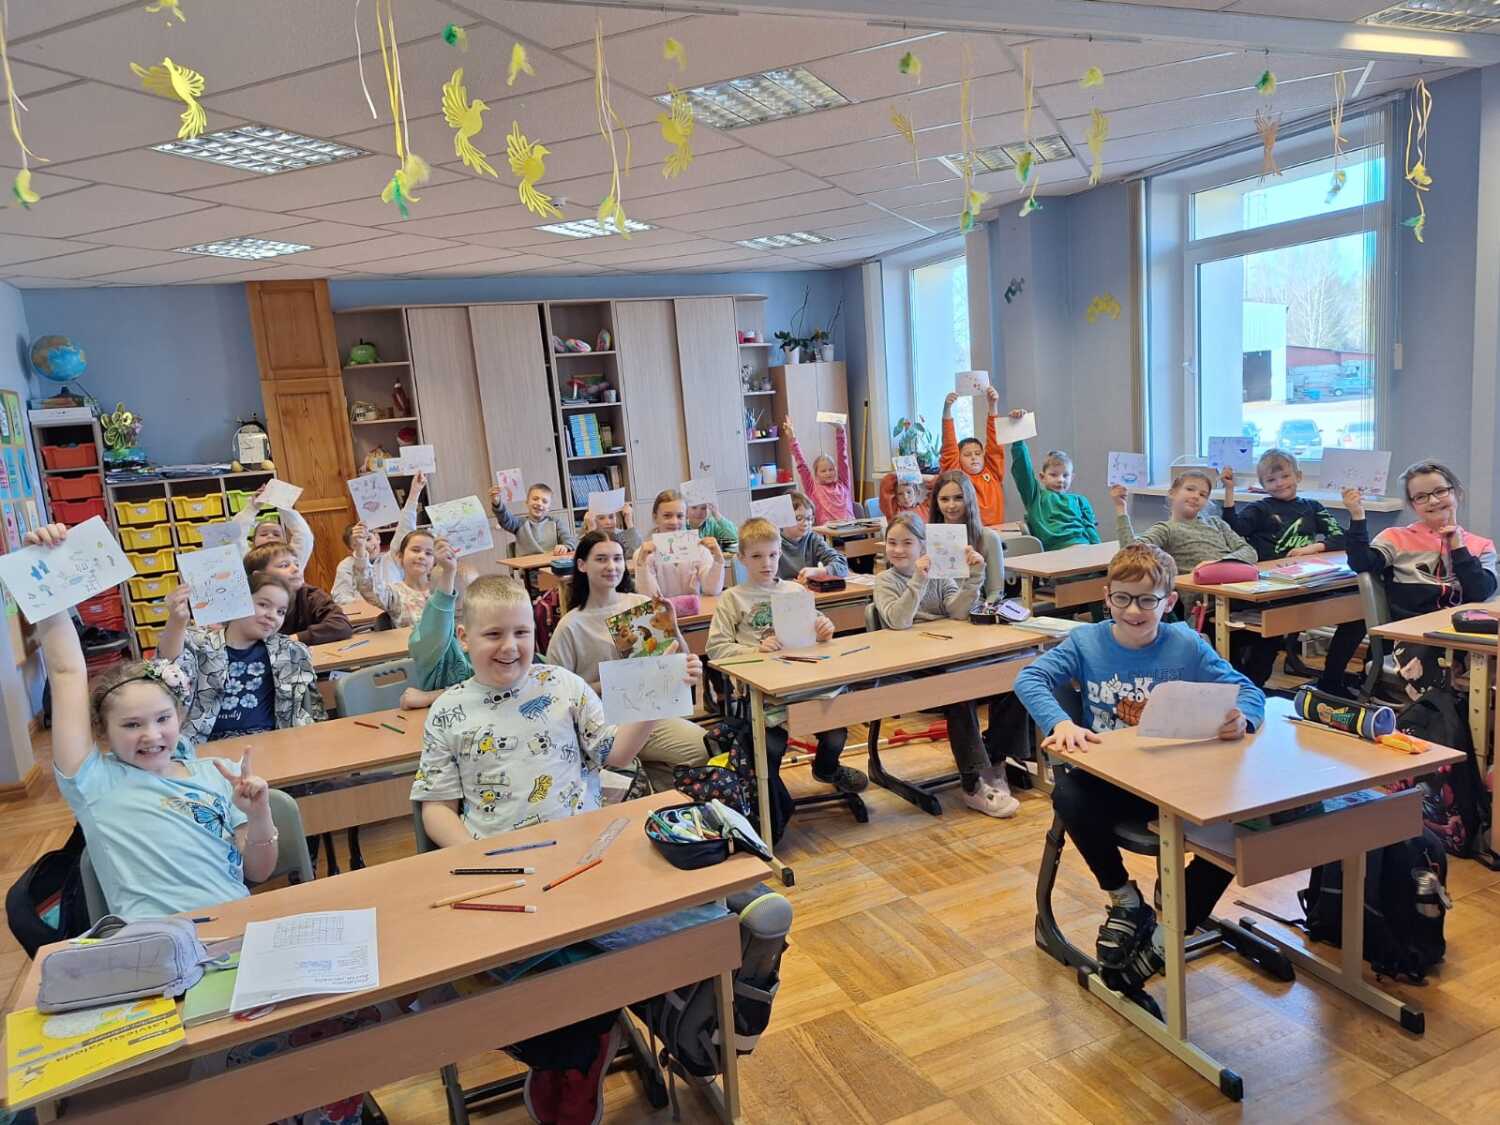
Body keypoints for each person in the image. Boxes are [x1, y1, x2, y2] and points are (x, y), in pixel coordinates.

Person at [411, 574, 704, 1125]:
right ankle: (582, 1045)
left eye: (522, 632)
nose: (510, 646)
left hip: (584, 860)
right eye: (493, 634)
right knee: (544, 975)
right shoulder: (448, 711)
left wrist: (660, 693)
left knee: (667, 926)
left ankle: (660, 1012)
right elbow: (436, 808)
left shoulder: (564, 686)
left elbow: (616, 754)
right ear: (464, 637)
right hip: (505, 873)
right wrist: (475, 857)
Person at [1015, 543, 1265, 993]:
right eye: (1123, 598)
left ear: (1169, 602)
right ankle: (1124, 898)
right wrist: (1060, 722)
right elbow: (1028, 677)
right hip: (1113, 780)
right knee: (1067, 793)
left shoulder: (1186, 643)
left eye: (1147, 600)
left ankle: (1170, 933)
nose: (1134, 610)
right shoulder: (1086, 642)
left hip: (1176, 779)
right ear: (1106, 597)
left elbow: (1247, 690)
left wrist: (1242, 718)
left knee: (1244, 823)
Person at [706, 517, 867, 804]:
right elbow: (716, 648)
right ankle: (771, 797)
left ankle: (827, 770)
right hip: (762, 691)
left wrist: (824, 630)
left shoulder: (795, 592)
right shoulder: (732, 599)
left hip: (804, 683)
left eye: (772, 555)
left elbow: (818, 629)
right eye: (757, 556)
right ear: (741, 558)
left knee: (836, 733)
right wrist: (755, 651)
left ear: (780, 553)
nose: (766, 563)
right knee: (771, 746)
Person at [875, 514, 1018, 817]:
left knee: (1014, 676)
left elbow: (958, 612)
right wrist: (918, 579)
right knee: (958, 688)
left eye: (907, 543)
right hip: (910, 667)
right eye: (892, 542)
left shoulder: (940, 575)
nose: (898, 550)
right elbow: (898, 621)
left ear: (923, 546)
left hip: (947, 655)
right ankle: (973, 784)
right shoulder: (885, 581)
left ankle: (994, 758)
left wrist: (976, 575)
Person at [547, 531, 710, 791]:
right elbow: (558, 695)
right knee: (626, 776)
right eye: (601, 559)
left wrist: (677, 636)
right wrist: (613, 683)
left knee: (705, 747)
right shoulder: (570, 626)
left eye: (617, 558)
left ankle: (658, 788)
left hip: (649, 714)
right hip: (601, 725)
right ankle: (647, 785)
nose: (611, 566)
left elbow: (677, 660)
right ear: (582, 565)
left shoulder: (641, 604)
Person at [1345, 461, 1498, 700]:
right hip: (1416, 639)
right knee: (1452, 680)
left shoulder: (1481, 545)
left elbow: (1480, 591)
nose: (1433, 501)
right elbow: (1360, 563)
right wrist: (1357, 516)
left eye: (1440, 491)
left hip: (1466, 636)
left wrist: (1458, 546)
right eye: (1421, 497)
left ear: (1456, 492)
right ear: (1413, 504)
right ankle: (1444, 720)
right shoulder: (1396, 538)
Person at [1221, 450, 1358, 691]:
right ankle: (1251, 687)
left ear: (1298, 476)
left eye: (1285, 476)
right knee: (1269, 637)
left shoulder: (1312, 507)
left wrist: (1314, 547)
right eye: (1271, 480)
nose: (1279, 483)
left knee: (1357, 613)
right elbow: (1234, 528)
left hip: (1307, 582)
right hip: (1272, 587)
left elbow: (1342, 537)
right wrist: (1229, 491)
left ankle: (1331, 679)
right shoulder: (1260, 508)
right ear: (1262, 484)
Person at [157, 575, 324, 742]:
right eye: (263, 605)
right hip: (207, 744)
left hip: (270, 741)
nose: (272, 615)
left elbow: (311, 709)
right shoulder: (200, 644)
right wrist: (176, 622)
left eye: (281, 611)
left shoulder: (289, 651)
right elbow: (168, 665)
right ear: (237, 602)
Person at [1113, 468, 1256, 572]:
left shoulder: (1217, 523)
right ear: (1172, 493)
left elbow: (1249, 551)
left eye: (1203, 494)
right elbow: (1131, 553)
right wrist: (1121, 508)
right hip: (1204, 595)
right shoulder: (1166, 529)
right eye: (1190, 489)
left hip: (1233, 583)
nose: (1196, 496)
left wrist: (1220, 564)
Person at [1004, 414, 1100, 549]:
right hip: (1055, 552)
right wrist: (1018, 439)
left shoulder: (1080, 501)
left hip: (1083, 547)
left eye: (1065, 475)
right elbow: (1023, 471)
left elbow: (1091, 530)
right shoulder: (1035, 498)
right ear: (1042, 477)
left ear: (1072, 477)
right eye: (1054, 475)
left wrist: (1099, 553)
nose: (1060, 480)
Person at [331, 471, 425, 605]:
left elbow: (405, 529)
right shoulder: (346, 566)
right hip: (364, 615)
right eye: (358, 544)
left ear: (378, 537)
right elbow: (340, 597)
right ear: (351, 549)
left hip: (395, 610)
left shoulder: (392, 557)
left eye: (368, 539)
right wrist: (367, 605)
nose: (367, 546)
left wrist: (414, 493)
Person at [243, 543, 352, 645]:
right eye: (284, 565)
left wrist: (289, 641)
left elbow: (341, 625)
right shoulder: (247, 605)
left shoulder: (311, 595)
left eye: (297, 564)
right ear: (259, 576)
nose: (295, 569)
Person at [928, 469, 1005, 599]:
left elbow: (996, 592)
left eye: (959, 498)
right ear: (936, 502)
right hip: (936, 608)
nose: (951, 505)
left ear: (969, 498)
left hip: (974, 607)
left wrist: (984, 610)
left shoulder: (988, 538)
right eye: (944, 499)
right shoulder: (928, 538)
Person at [634, 489, 725, 599]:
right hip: (662, 610)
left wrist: (718, 559)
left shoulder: (699, 548)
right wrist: (642, 564)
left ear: (686, 518)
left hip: (694, 609)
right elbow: (649, 598)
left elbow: (712, 590)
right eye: (667, 516)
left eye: (680, 516)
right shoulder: (643, 554)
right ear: (655, 518)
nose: (674, 522)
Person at [350, 527, 443, 629]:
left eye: (428, 553)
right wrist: (360, 549)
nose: (422, 556)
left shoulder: (443, 589)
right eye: (415, 550)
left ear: (435, 562)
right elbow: (367, 585)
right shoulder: (394, 593)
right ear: (400, 557)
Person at [940, 385, 1007, 526]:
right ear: (958, 459)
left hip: (997, 533)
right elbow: (949, 446)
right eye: (967, 454)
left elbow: (995, 443)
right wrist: (947, 409)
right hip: (968, 533)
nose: (974, 457)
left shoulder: (993, 472)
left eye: (977, 453)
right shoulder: (957, 477)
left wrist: (993, 405)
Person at [784, 416, 854, 524]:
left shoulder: (843, 484)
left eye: (831, 469)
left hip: (851, 528)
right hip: (828, 532)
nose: (828, 473)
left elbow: (843, 457)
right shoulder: (812, 488)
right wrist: (792, 438)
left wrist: (840, 430)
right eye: (823, 471)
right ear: (816, 474)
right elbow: (801, 465)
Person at [230, 481, 315, 567]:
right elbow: (235, 535)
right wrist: (252, 508)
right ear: (253, 542)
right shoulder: (248, 560)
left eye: (276, 534)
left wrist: (281, 505)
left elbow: (304, 536)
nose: (270, 536)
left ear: (284, 542)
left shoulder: (293, 558)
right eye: (263, 534)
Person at [488, 481, 575, 556]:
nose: (539, 503)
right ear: (527, 502)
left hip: (551, 565)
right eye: (535, 499)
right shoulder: (519, 523)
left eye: (544, 501)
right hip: (528, 568)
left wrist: (565, 546)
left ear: (549, 508)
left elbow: (569, 539)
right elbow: (505, 519)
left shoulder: (556, 523)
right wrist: (497, 503)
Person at [779, 492, 849, 581]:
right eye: (799, 518)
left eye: (809, 518)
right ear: (783, 519)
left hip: (810, 588)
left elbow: (842, 566)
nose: (806, 523)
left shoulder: (813, 539)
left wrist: (820, 571)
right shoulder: (774, 543)